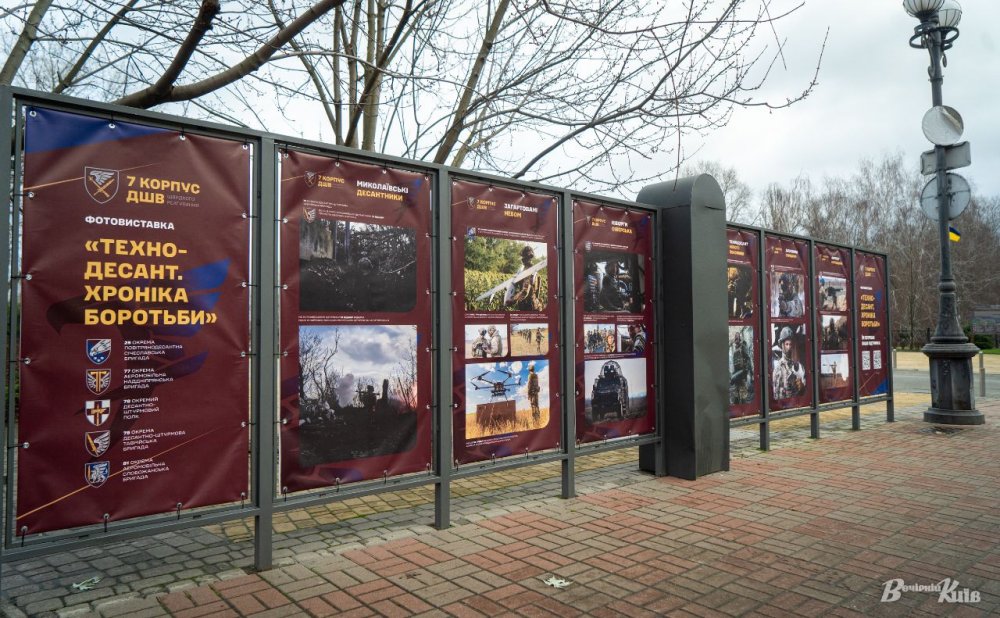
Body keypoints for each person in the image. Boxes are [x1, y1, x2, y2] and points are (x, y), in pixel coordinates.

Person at [504, 245, 543, 311]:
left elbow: (525, 291)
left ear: (525, 258)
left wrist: (512, 300)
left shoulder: (529, 271)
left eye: (523, 257)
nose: (522, 260)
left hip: (528, 307)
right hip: (533, 305)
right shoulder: (533, 270)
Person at [772, 326, 805, 399]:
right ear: (782, 345)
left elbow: (804, 390)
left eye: (791, 344)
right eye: (787, 344)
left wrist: (801, 386)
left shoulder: (798, 365)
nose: (789, 347)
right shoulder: (778, 367)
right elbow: (776, 394)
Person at [730, 330, 753, 404]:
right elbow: (734, 363)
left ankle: (744, 410)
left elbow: (748, 358)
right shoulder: (735, 350)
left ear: (740, 339)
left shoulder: (742, 347)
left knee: (743, 396)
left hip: (742, 374)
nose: (736, 340)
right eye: (735, 339)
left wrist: (749, 371)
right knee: (736, 395)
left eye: (737, 339)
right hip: (737, 375)